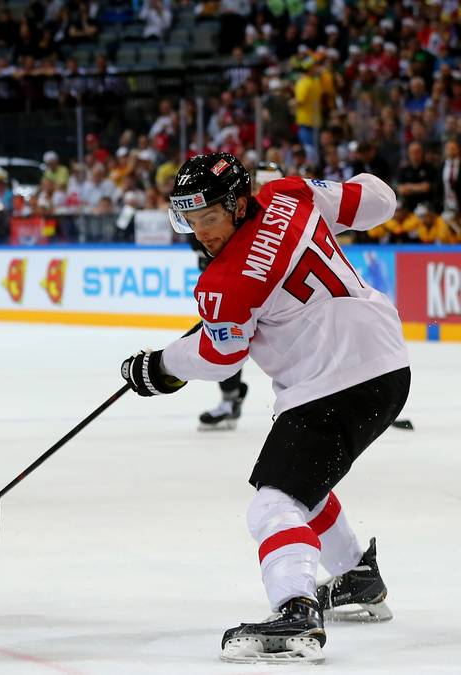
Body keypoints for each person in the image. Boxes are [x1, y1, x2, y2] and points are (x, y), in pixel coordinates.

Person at [120, 153, 408, 663]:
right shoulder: (290, 196)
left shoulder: (224, 281)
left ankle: (295, 609)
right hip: (387, 367)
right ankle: (356, 575)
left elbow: (218, 356)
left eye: (207, 217)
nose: (199, 232)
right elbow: (381, 200)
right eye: (189, 219)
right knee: (303, 484)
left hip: (331, 383)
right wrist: (298, 186)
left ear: (236, 205)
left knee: (274, 504)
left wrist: (158, 366)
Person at [190, 161, 285, 431]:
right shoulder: (234, 214)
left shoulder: (282, 213)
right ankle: (230, 399)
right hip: (244, 294)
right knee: (227, 341)